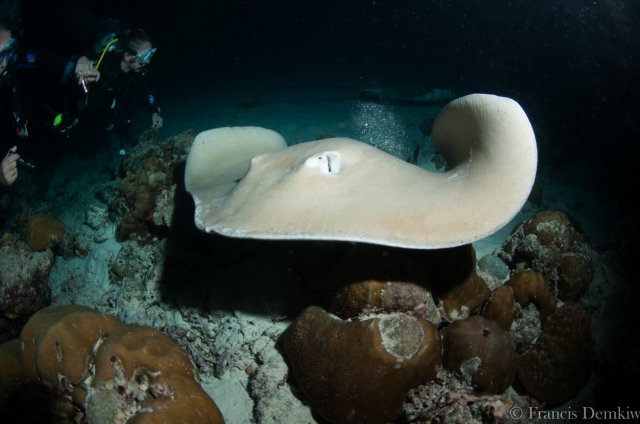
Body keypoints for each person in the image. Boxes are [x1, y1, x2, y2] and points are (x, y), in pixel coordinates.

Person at [0, 0, 99, 186]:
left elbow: (47, 60)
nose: (5, 63)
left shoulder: (21, 58)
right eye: (0, 56)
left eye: (9, 51)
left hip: (48, 137)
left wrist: (77, 65)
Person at [82, 28, 163, 155]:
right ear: (127, 56)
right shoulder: (106, 68)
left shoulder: (137, 72)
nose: (148, 61)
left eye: (151, 54)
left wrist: (154, 112)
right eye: (145, 57)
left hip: (115, 115)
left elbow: (144, 91)